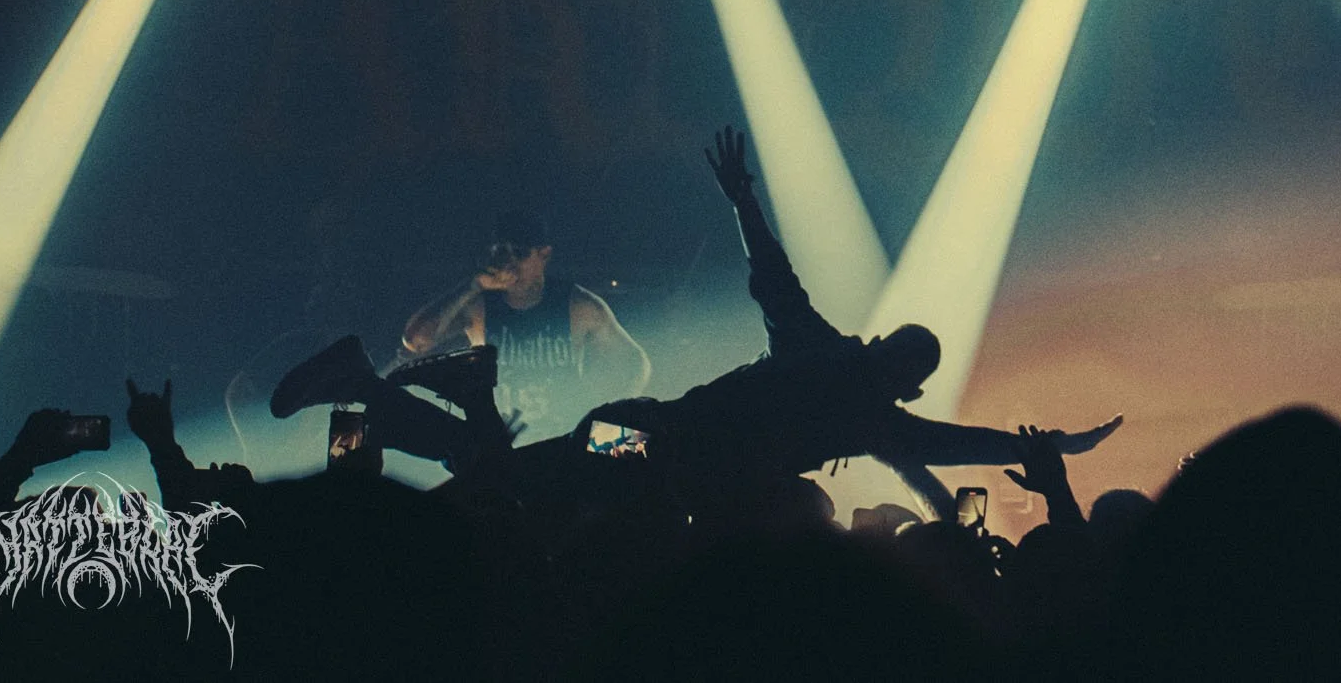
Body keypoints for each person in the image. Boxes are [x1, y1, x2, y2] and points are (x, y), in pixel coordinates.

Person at [579, 127, 1122, 519]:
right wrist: (1053, 449)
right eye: (895, 355)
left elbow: (773, 273)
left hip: (680, 464)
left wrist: (745, 201)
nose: (885, 363)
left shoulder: (859, 404)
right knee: (590, 454)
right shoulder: (859, 402)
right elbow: (773, 273)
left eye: (897, 361)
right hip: (674, 458)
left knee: (591, 460)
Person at [399, 209, 651, 442]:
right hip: (502, 442)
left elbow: (635, 363)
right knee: (456, 453)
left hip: (565, 438)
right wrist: (472, 286)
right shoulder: (479, 306)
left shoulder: (579, 305)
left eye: (519, 253)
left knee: (640, 447)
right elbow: (416, 341)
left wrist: (605, 417)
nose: (509, 264)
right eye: (500, 253)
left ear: (544, 255)